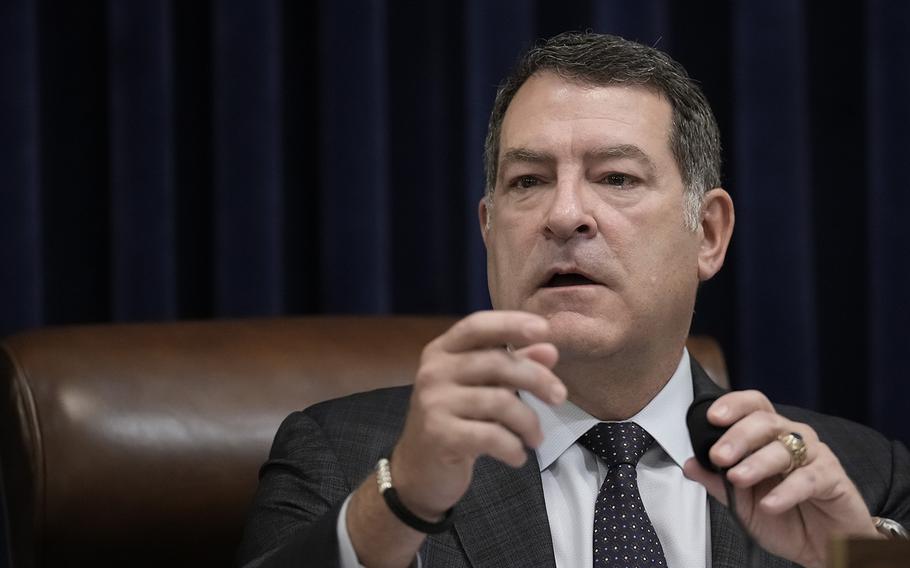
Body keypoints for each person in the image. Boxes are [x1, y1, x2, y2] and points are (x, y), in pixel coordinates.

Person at [237, 32, 909, 568]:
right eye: (527, 182)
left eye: (615, 177)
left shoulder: (861, 478)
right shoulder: (351, 456)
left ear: (707, 233)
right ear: (489, 229)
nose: (563, 215)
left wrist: (859, 562)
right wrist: (400, 505)